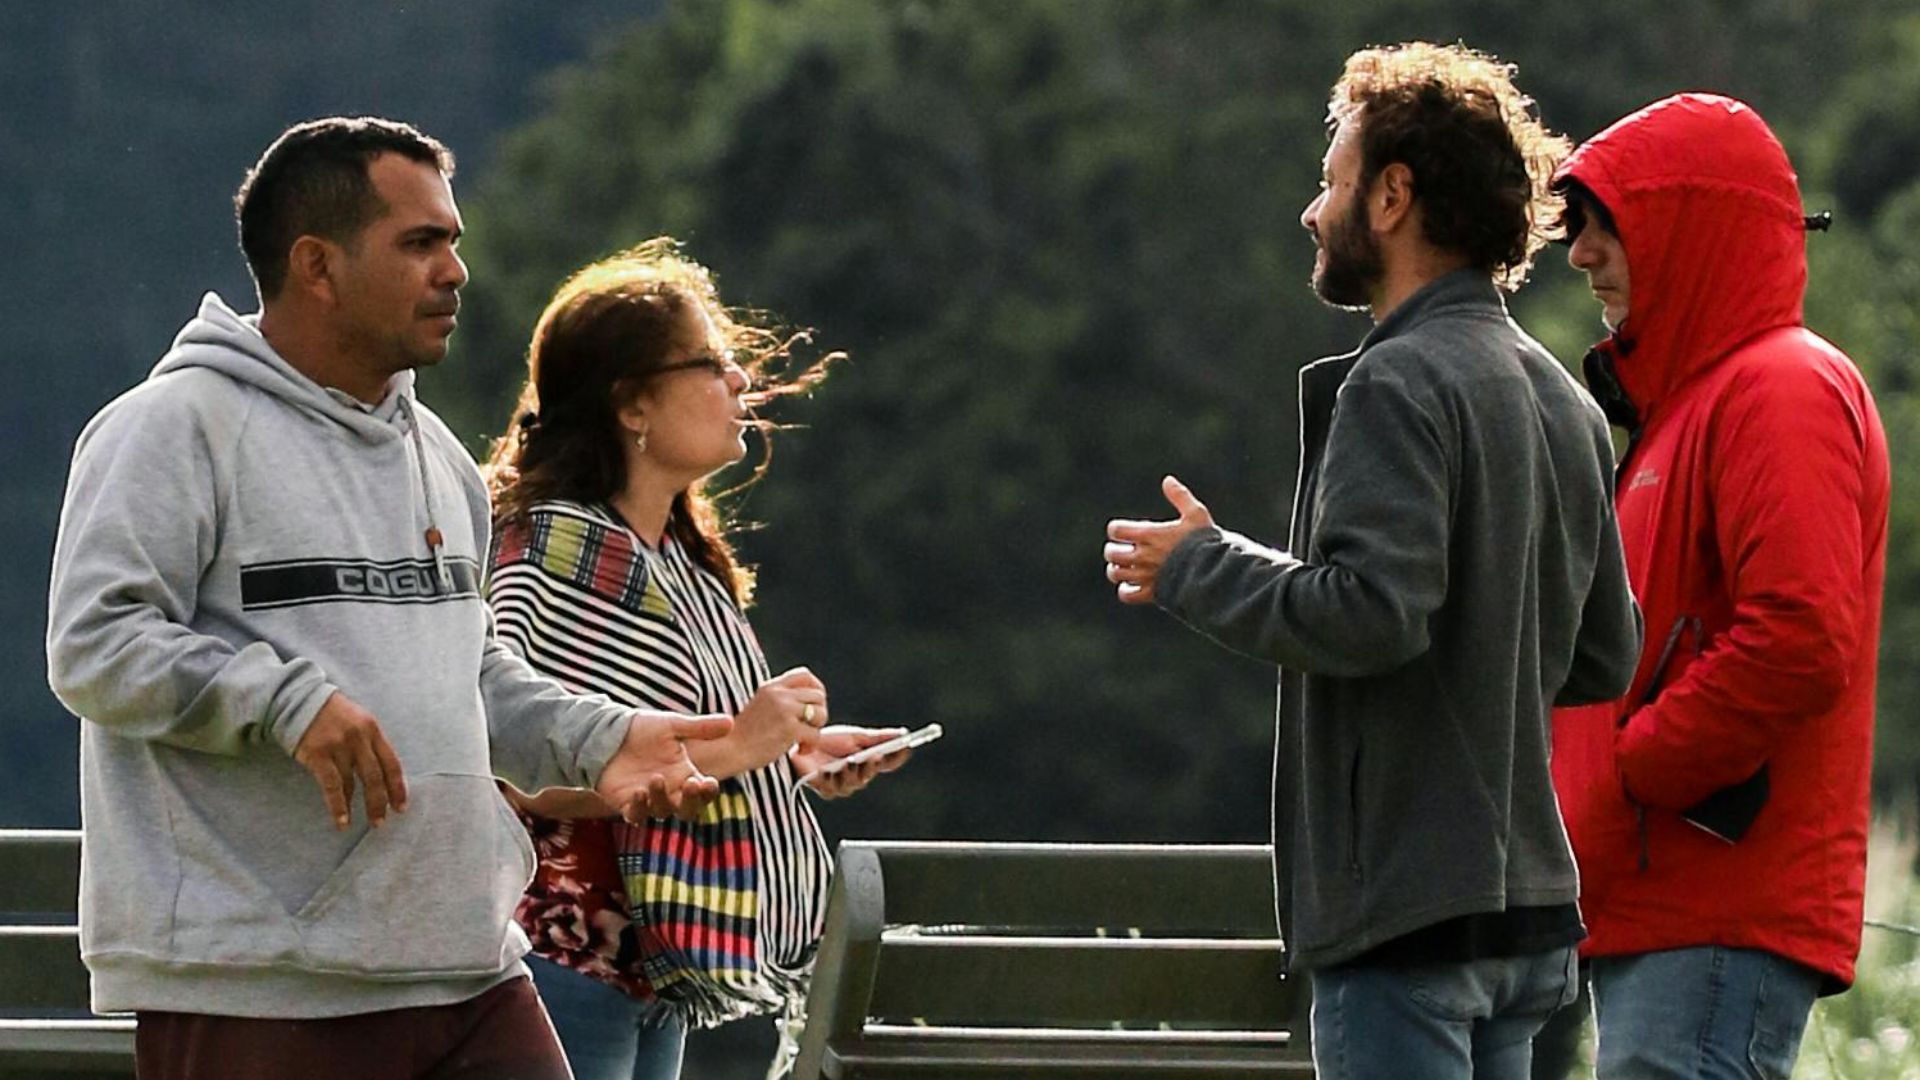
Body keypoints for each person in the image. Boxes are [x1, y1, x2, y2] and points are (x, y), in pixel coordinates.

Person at [44, 116, 736, 1080]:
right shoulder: (171, 428)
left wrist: (607, 740)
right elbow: (97, 645)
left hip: (470, 970)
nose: (454, 270)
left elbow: (470, 673)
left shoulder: (440, 458)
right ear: (317, 266)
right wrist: (285, 704)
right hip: (259, 980)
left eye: (453, 241)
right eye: (421, 244)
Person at [1102, 42, 1642, 1079]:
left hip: (1406, 918)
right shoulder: (1562, 400)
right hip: (1525, 915)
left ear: (1393, 196)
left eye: (1332, 180)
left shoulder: (1395, 384)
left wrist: (1201, 568)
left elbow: (1371, 614)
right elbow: (1606, 653)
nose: (1314, 211)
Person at [482, 238, 912, 1080]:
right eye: (711, 363)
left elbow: (680, 737)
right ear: (632, 404)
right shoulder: (557, 547)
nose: (741, 382)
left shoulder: (677, 554)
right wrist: (740, 749)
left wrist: (790, 757)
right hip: (561, 962)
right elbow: (509, 768)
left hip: (653, 970)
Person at [1550, 93, 1888, 1080]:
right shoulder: (1685, 412)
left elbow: (1799, 636)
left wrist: (1638, 767)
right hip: (1662, 910)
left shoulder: (1780, 387)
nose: (1579, 254)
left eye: (1603, 222)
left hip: (1711, 914)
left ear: (1686, 226)